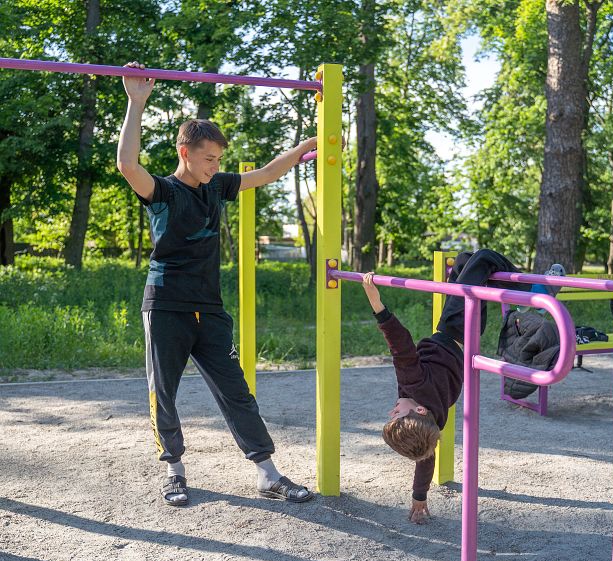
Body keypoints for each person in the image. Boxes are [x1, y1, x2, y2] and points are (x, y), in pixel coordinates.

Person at [117, 61, 317, 506]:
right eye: (209, 158)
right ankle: (174, 470)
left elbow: (266, 174)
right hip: (166, 304)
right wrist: (136, 102)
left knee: (235, 389)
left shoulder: (217, 186)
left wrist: (306, 145)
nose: (215, 166)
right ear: (185, 152)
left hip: (209, 309)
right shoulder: (164, 191)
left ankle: (268, 474)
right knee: (163, 391)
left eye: (219, 160)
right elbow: (127, 164)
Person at [361, 249, 541, 524]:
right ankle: (535, 290)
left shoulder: (434, 421)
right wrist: (377, 305)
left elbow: (426, 454)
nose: (392, 410)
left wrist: (419, 496)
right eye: (397, 413)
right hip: (455, 327)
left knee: (463, 263)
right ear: (419, 410)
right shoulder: (414, 384)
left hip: (466, 336)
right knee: (481, 258)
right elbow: (401, 345)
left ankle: (500, 284)